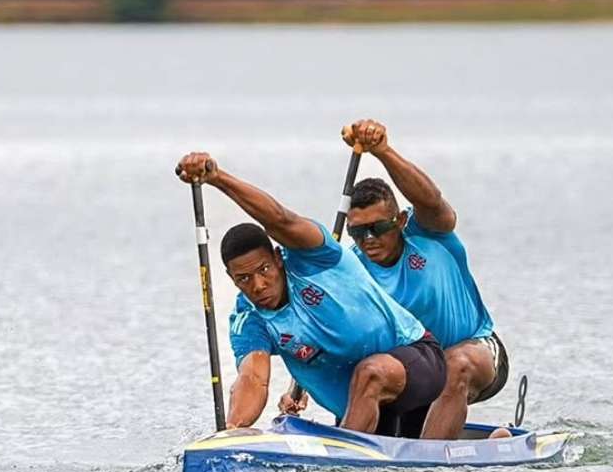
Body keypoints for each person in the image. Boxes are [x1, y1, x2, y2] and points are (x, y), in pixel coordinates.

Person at [175, 152, 448, 435]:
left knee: (370, 373)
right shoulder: (250, 319)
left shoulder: (313, 259)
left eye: (264, 269)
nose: (257, 285)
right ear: (232, 280)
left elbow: (280, 219)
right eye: (244, 278)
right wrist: (232, 431)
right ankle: (496, 439)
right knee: (396, 459)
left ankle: (345, 462)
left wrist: (217, 178)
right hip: (362, 405)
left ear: (278, 258)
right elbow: (254, 378)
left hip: (417, 360)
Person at [285, 119, 509, 440]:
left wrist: (382, 151)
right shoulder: (352, 270)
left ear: (401, 220)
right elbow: (328, 334)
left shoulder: (430, 233)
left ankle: (433, 469)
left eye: (377, 228)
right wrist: (301, 387)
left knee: (455, 364)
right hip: (416, 371)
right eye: (358, 232)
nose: (369, 239)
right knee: (365, 376)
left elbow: (430, 199)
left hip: (476, 350)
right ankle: (358, 460)